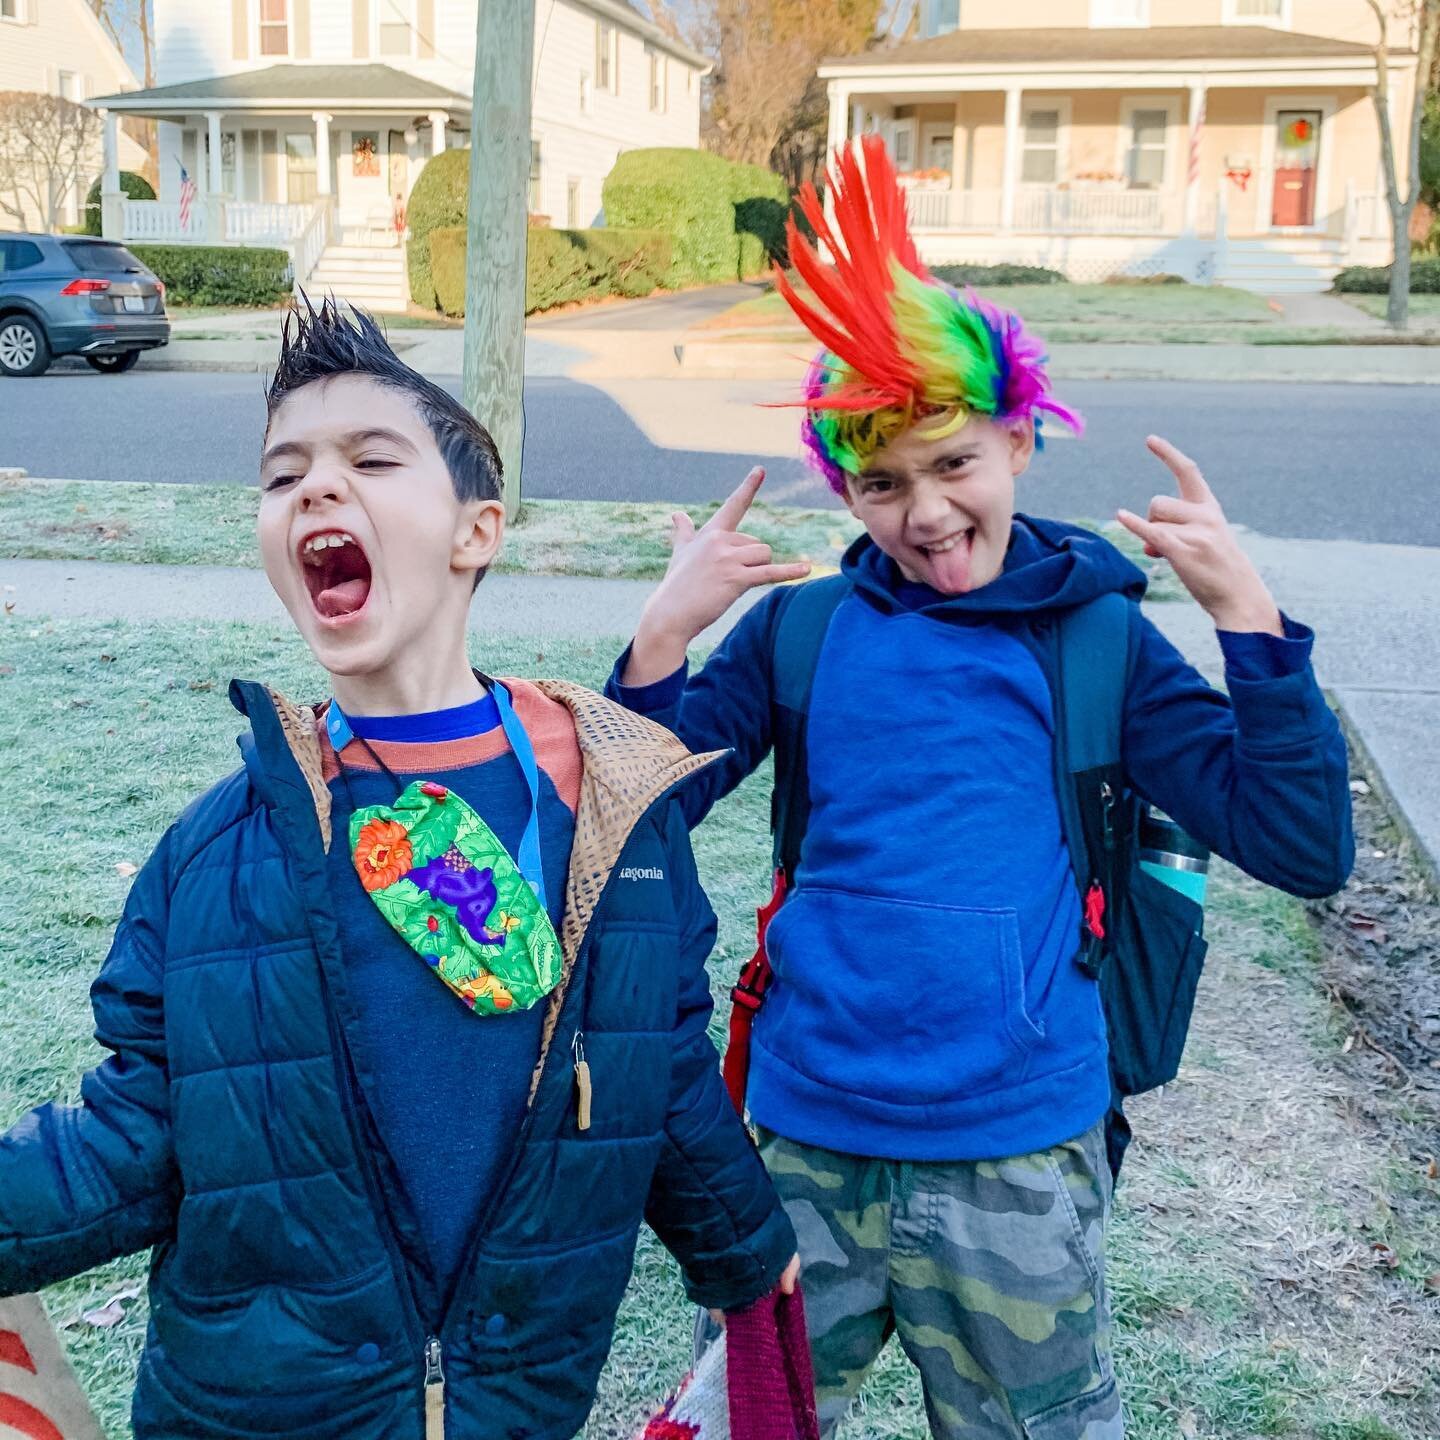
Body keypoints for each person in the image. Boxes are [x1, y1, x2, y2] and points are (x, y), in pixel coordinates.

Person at [605, 138, 1354, 1439]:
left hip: (1016, 1160)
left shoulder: (1099, 641)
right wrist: (662, 649)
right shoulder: (805, 632)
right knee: (748, 1423)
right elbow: (623, 827)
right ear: (847, 486)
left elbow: (1300, 843)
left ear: (1017, 439)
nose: (927, 510)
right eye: (883, 482)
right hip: (803, 1152)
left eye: (955, 463)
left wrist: (1249, 621)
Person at [0, 299, 797, 1440]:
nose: (317, 490)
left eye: (372, 458)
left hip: (515, 1404)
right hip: (254, 1411)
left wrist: (752, 1257)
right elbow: (137, 1135)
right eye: (284, 478)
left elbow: (657, 1071)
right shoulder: (210, 858)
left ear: (479, 529)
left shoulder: (618, 819)